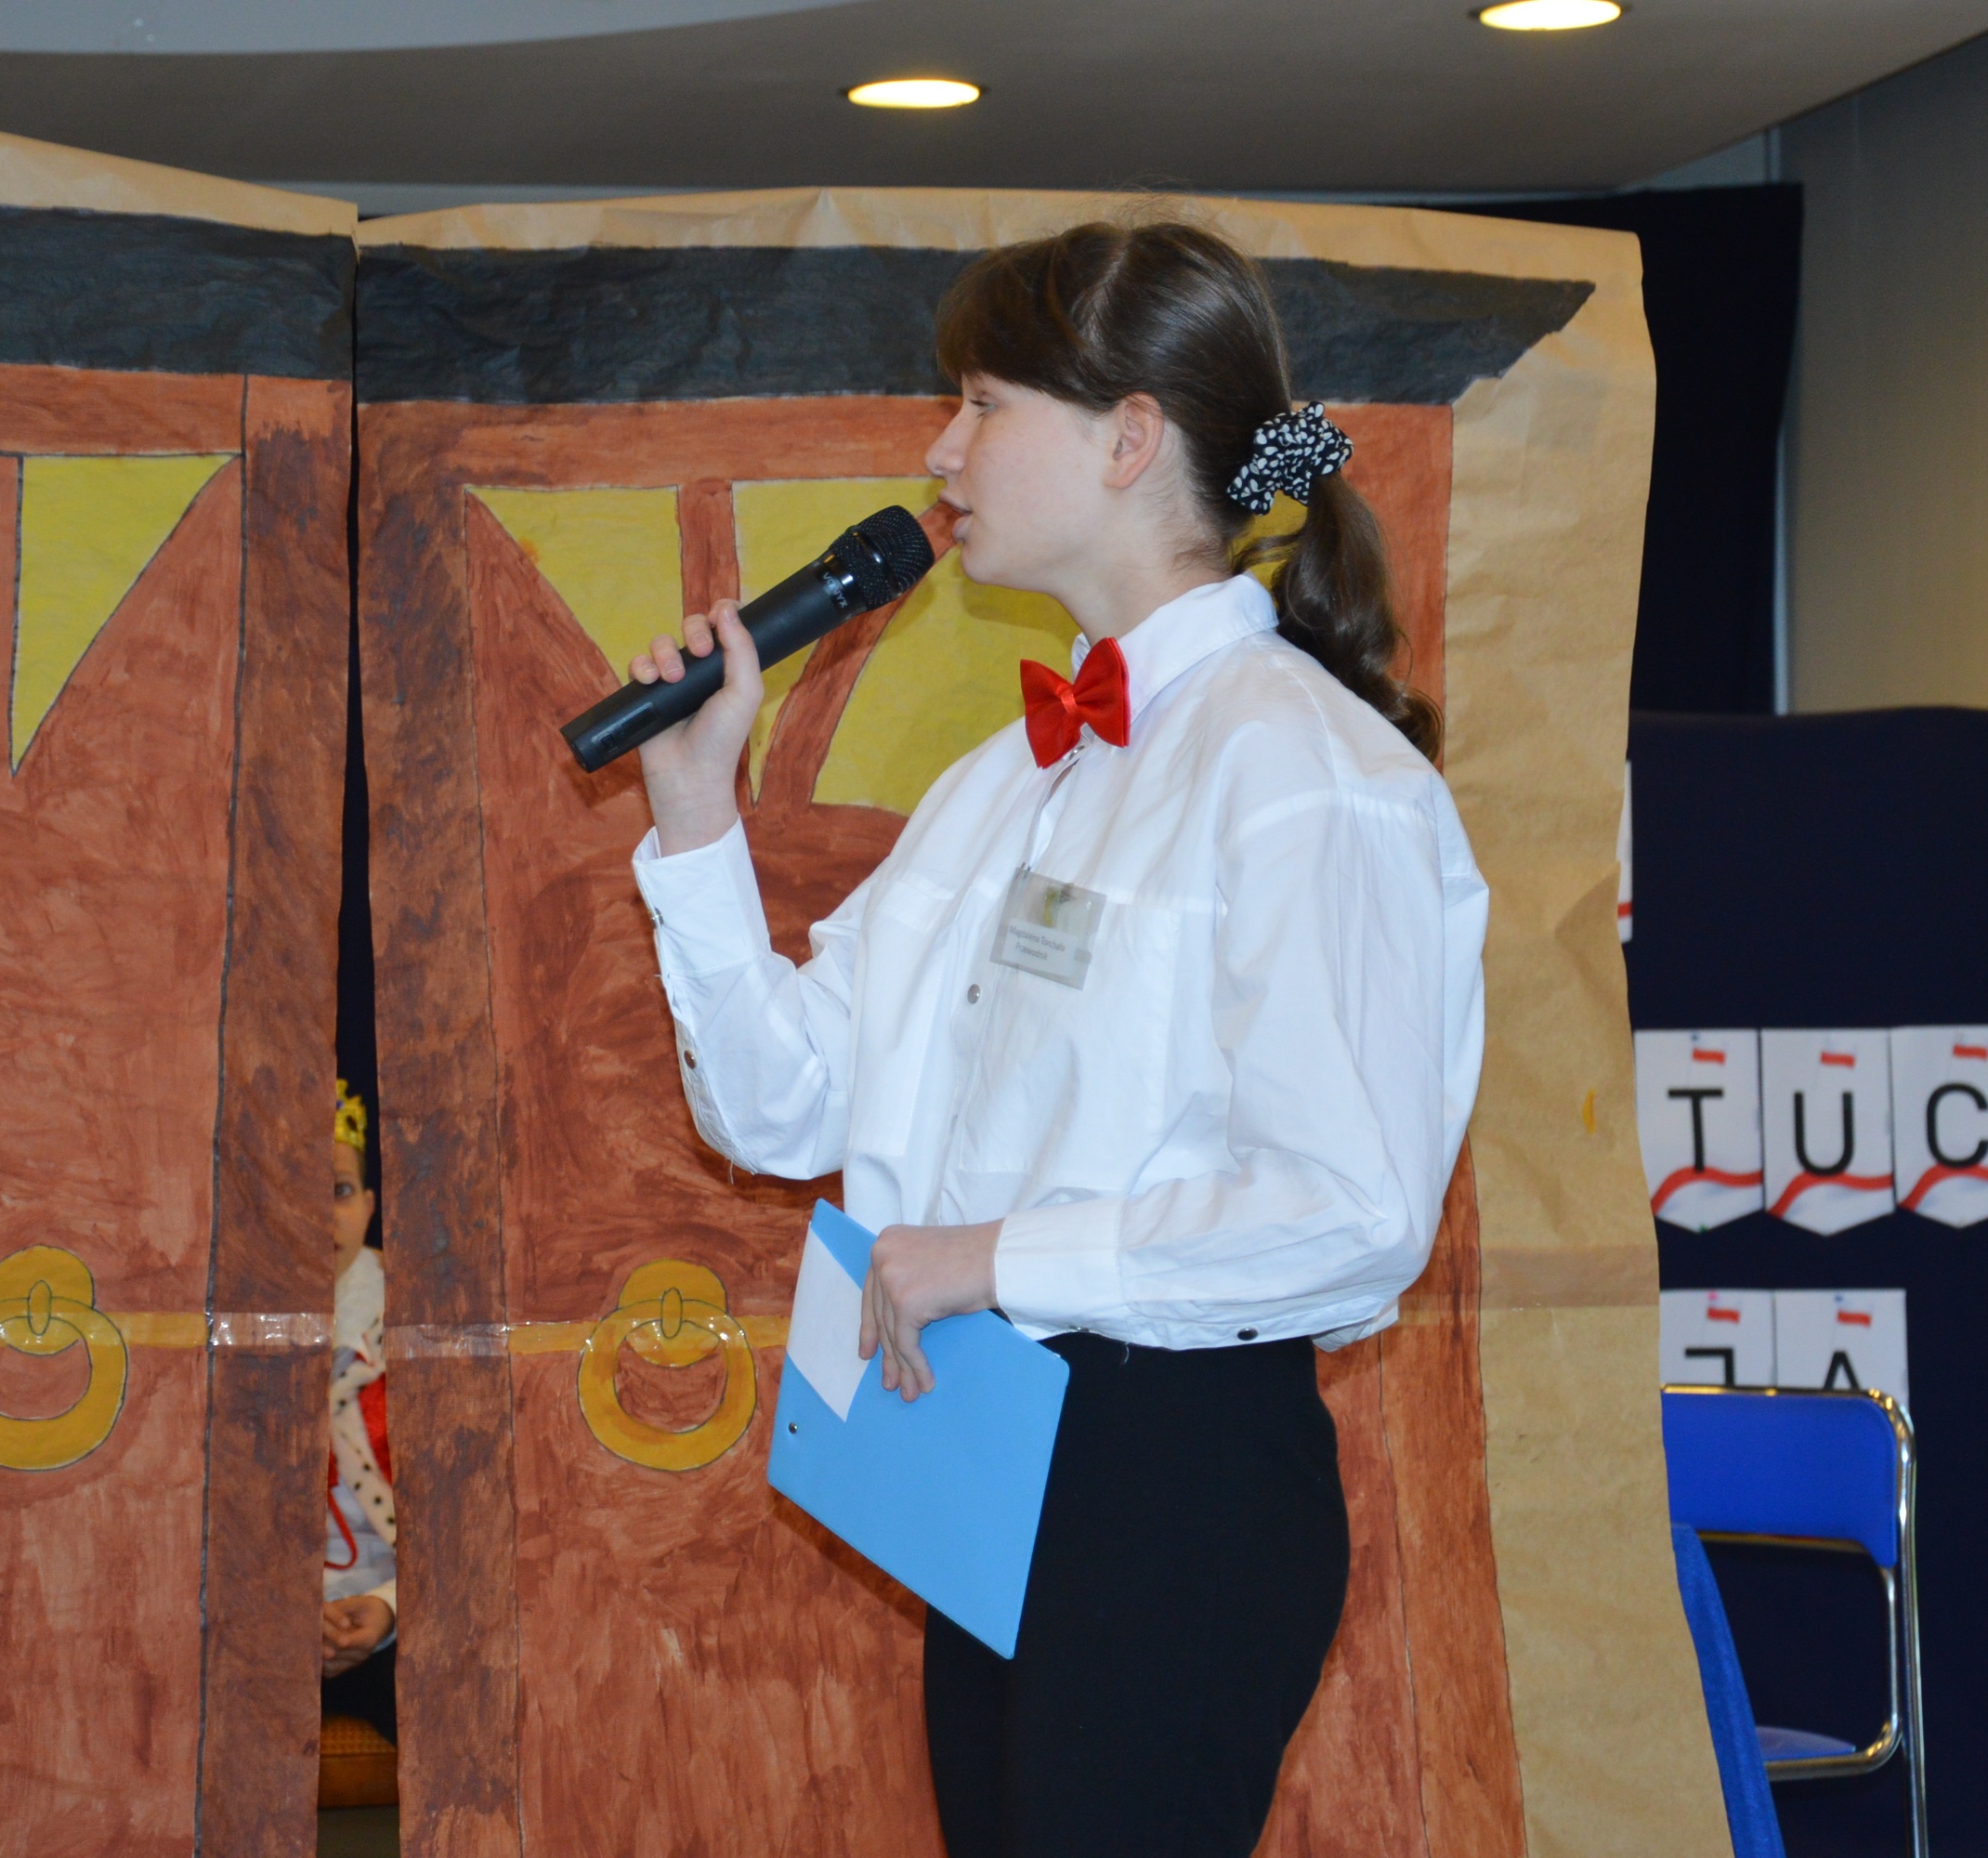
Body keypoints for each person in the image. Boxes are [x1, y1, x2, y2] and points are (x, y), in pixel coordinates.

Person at [618, 219, 1489, 1858]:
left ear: (1128, 439)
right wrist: (694, 819)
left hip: (1171, 1467)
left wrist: (996, 1259)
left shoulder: (1302, 771)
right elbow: (782, 1103)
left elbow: (1355, 1207)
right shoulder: (1002, 783)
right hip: (983, 1450)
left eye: (980, 403)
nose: (939, 453)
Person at [321, 1079, 398, 1745]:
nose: (320, 1215)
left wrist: (388, 1608)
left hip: (398, 1612)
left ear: (369, 1205)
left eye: (339, 1191)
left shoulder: (414, 1317)